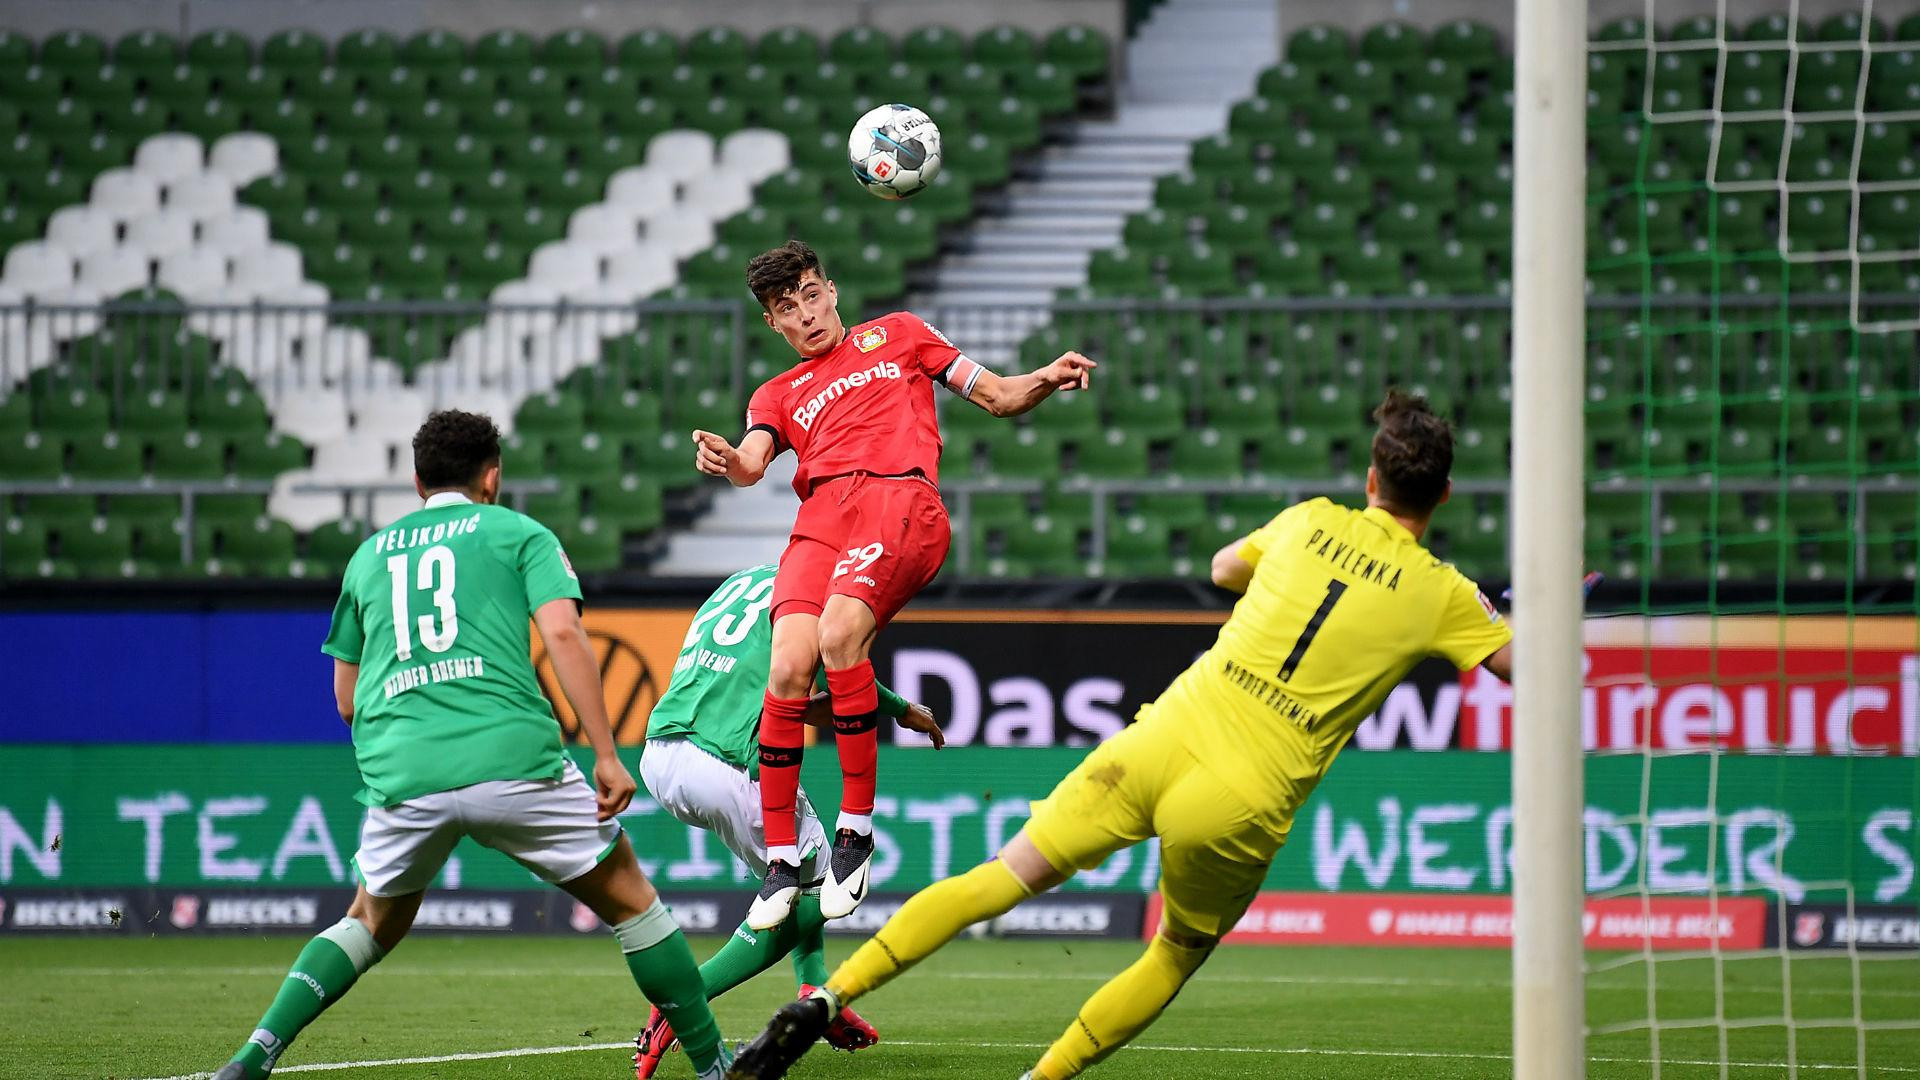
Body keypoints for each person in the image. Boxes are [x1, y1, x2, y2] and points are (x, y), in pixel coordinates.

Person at [724, 390, 1518, 1080]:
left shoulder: (1309, 521)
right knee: (1173, 954)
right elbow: (1529, 668)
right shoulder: (1443, 593)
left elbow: (1222, 569)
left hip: (1161, 738)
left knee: (997, 878)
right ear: (1443, 495)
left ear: (1371, 479)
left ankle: (828, 998)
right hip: (1242, 797)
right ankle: (1045, 1073)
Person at [213, 411, 730, 1080]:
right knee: (629, 896)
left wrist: (407, 755)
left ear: (417, 479)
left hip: (403, 770)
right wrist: (605, 754)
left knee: (370, 920)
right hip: (512, 758)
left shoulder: (369, 556)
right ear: (493, 477)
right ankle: (716, 1064)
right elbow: (566, 637)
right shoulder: (520, 533)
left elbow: (344, 699)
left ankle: (254, 1055)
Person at [690, 239, 1096, 930]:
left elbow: (996, 395)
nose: (807, 315)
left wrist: (1046, 377)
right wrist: (727, 459)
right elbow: (753, 464)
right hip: (820, 519)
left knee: (840, 633)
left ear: (833, 290)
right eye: (788, 308)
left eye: (812, 294)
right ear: (773, 324)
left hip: (897, 501)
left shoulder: (900, 335)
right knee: (787, 665)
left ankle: (854, 830)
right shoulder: (776, 393)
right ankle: (782, 859)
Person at [633, 561, 947, 1077]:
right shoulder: (818, 590)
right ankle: (683, 1001)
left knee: (802, 867)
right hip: (727, 761)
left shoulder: (738, 581)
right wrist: (898, 707)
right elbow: (845, 682)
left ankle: (816, 994)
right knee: (830, 887)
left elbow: (796, 704)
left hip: (661, 752)